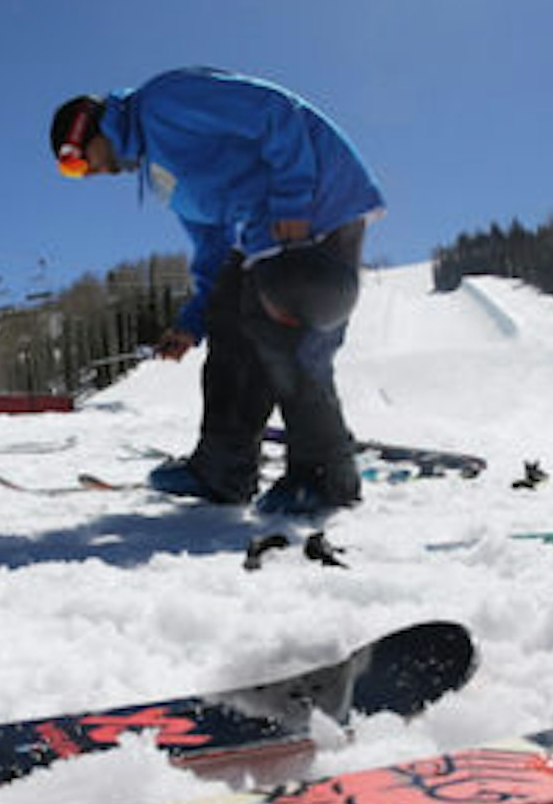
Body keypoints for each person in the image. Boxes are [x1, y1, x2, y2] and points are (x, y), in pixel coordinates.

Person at [50, 69, 385, 516]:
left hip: (318, 203)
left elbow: (275, 113)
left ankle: (325, 475)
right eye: (73, 174)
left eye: (76, 163)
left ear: (86, 129)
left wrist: (293, 196)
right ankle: (222, 469)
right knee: (228, 314)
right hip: (264, 232)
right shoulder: (158, 172)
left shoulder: (163, 102)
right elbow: (213, 247)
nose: (88, 175)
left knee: (285, 329)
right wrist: (190, 325)